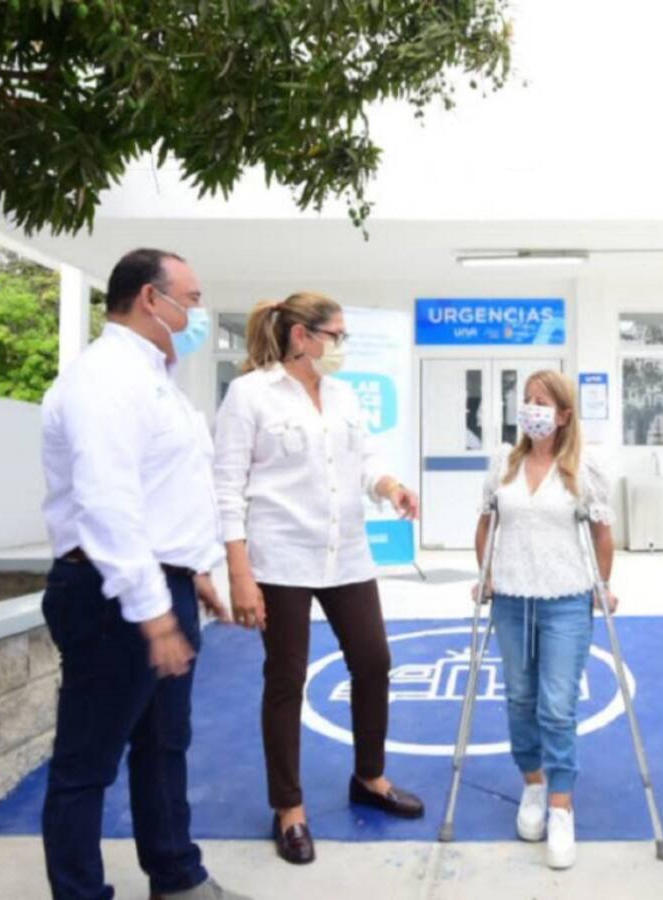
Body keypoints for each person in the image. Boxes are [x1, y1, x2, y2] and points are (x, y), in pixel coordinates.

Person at [39, 248, 249, 900]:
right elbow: (109, 504)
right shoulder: (103, 379)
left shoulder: (156, 378)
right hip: (113, 595)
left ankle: (176, 876)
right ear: (151, 299)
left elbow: (168, 491)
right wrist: (152, 611)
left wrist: (196, 572)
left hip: (163, 584)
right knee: (87, 763)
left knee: (164, 746)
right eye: (191, 297)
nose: (197, 311)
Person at [212, 291, 424, 866]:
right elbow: (227, 487)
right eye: (336, 335)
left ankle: (370, 778)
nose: (341, 346)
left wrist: (390, 487)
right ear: (301, 336)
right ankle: (288, 807)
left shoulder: (343, 394)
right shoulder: (249, 394)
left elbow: (366, 460)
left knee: (374, 661)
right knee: (286, 678)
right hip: (280, 558)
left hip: (345, 554)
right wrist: (239, 572)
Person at [474, 370, 617, 871]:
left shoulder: (583, 468)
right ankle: (532, 784)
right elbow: (485, 525)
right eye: (527, 400)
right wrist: (486, 574)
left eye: (542, 402)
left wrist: (602, 584)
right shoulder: (504, 464)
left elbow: (602, 534)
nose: (531, 409)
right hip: (511, 599)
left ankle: (561, 804)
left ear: (563, 415)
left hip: (566, 600)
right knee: (520, 698)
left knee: (557, 706)